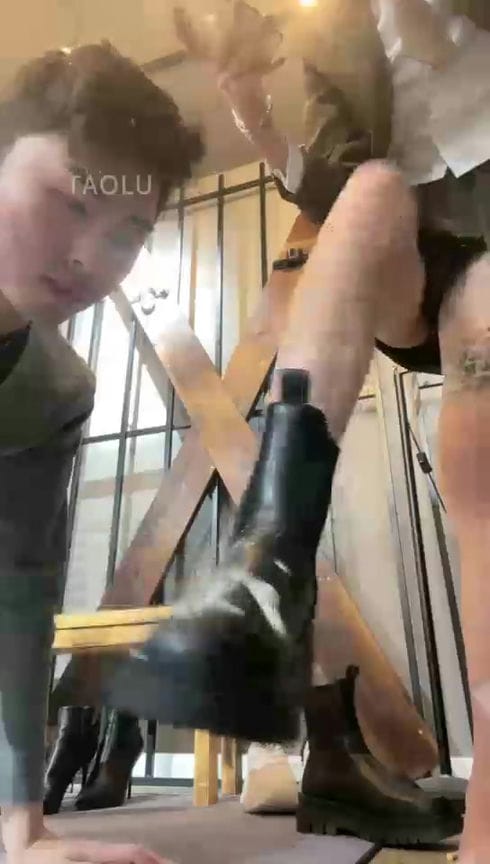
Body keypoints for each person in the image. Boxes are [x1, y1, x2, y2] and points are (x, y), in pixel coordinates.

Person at [107, 2, 490, 862]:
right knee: (371, 189)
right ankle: (267, 562)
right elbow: (334, 182)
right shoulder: (334, 28)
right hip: (423, 252)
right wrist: (257, 122)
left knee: (479, 409)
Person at [0, 41, 203, 864]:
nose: (89, 258)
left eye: (126, 235)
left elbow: (18, 595)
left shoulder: (53, 390)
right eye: (70, 202)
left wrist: (22, 827)